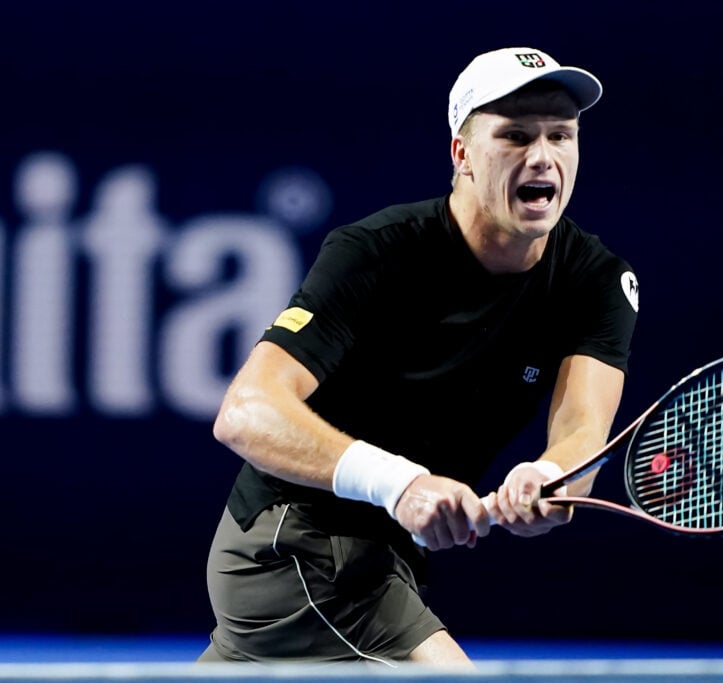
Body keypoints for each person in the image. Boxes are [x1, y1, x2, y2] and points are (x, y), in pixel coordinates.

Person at [199, 46, 640, 667]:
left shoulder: (595, 281)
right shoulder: (373, 252)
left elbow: (580, 440)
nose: (543, 156)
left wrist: (544, 479)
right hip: (293, 544)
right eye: (514, 136)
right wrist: (400, 484)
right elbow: (244, 412)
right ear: (462, 154)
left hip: (385, 560)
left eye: (561, 136)